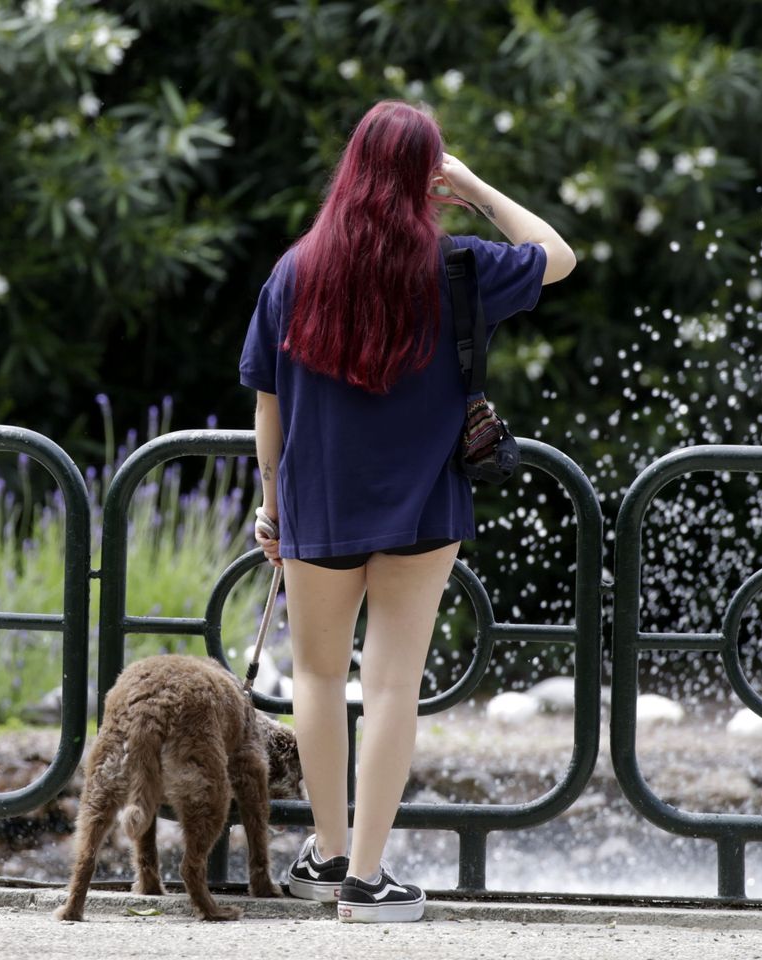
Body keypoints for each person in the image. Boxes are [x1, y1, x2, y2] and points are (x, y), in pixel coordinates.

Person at [237, 99, 574, 923]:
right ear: (427, 177)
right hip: (425, 504)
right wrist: (475, 187)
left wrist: (272, 506)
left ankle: (327, 856)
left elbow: (267, 406)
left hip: (318, 503)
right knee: (390, 685)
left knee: (317, 676)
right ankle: (368, 879)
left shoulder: (296, 270)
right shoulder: (458, 266)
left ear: (352, 167)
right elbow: (558, 256)